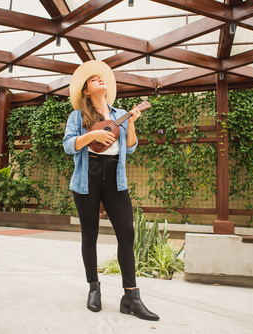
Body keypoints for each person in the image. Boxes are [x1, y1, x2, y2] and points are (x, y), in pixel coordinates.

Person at [63, 60, 159, 321]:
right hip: (88, 177)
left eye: (101, 78)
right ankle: (94, 288)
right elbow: (69, 145)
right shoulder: (77, 116)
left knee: (127, 234)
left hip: (116, 176)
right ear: (85, 90)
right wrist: (91, 137)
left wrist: (133, 121)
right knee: (89, 234)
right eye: (93, 79)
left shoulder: (120, 114)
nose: (100, 80)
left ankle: (131, 296)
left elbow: (129, 148)